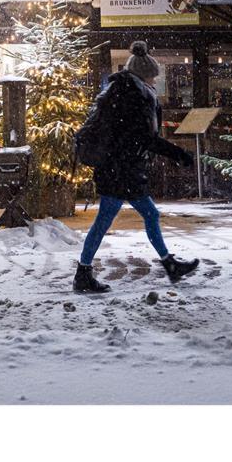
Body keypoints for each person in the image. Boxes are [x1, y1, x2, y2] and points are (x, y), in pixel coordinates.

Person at [74, 41, 200, 294]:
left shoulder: (120, 91)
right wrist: (178, 154)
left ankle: (167, 265)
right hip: (122, 170)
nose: (155, 81)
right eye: (153, 76)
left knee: (133, 216)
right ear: (143, 75)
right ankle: (83, 274)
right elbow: (144, 138)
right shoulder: (134, 96)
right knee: (111, 220)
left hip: (118, 167)